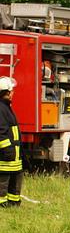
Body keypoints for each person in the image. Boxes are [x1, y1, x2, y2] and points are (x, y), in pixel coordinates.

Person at [0, 77, 22, 206]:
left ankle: (13, 204)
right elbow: (1, 133)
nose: (13, 93)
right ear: (6, 92)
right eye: (12, 90)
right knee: (3, 183)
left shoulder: (6, 107)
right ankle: (2, 205)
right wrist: (8, 151)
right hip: (6, 157)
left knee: (15, 181)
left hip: (13, 157)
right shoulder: (1, 109)